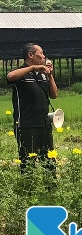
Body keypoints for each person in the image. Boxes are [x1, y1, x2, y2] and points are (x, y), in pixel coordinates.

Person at [7, 43, 58, 174]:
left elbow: (54, 95)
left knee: (49, 160)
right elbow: (10, 77)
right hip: (26, 125)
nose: (44, 56)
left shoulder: (42, 74)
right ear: (30, 55)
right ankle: (28, 189)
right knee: (27, 161)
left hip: (44, 124)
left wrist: (50, 75)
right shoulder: (22, 73)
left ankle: (51, 188)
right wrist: (33, 68)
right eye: (40, 53)